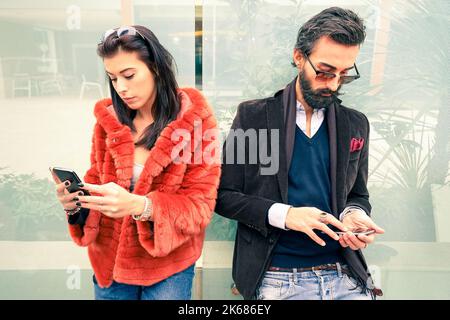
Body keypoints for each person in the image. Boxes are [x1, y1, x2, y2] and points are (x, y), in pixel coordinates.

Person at [215, 7, 385, 300]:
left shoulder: (356, 124)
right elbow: (224, 196)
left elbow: (358, 194)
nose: (333, 84)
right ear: (298, 57)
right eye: (324, 72)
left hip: (346, 277)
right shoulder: (254, 117)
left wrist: (354, 214)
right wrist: (287, 215)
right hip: (278, 280)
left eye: (344, 75)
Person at [51, 25, 221, 300]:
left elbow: (200, 207)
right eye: (113, 78)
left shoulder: (196, 122)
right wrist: (76, 204)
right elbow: (96, 180)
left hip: (168, 267)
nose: (122, 88)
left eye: (129, 75)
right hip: (111, 266)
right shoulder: (108, 122)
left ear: (155, 67)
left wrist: (141, 205)